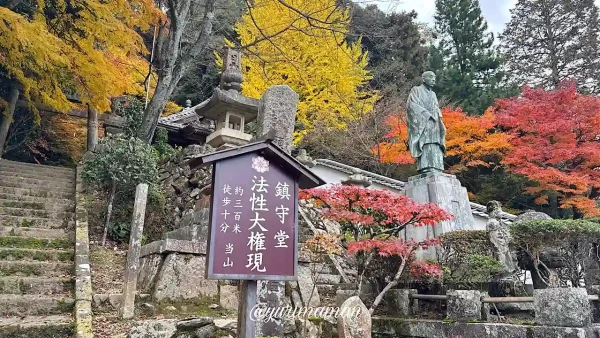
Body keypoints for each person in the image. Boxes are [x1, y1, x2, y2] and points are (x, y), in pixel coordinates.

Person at [406, 71, 447, 173]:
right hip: (424, 123)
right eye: (431, 77)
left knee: (436, 143)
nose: (433, 79)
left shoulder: (433, 94)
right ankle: (426, 166)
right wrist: (426, 115)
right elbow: (411, 106)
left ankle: (438, 167)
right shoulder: (416, 90)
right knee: (426, 143)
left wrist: (440, 120)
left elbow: (437, 109)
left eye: (434, 77)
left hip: (435, 124)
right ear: (424, 79)